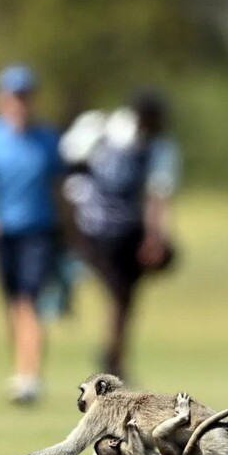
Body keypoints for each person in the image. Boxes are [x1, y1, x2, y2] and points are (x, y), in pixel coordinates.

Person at [0, 64, 63, 404]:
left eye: (25, 96)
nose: (19, 102)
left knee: (28, 301)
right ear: (0, 99)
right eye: (13, 96)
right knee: (12, 304)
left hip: (40, 231)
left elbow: (59, 188)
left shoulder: (48, 140)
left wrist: (73, 231)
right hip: (3, 233)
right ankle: (22, 369)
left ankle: (29, 376)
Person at [59, 89, 180, 379]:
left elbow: (157, 195)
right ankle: (112, 358)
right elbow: (65, 171)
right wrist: (68, 225)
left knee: (124, 297)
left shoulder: (157, 149)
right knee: (119, 295)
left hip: (128, 233)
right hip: (93, 229)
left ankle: (113, 356)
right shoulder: (100, 132)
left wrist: (154, 238)